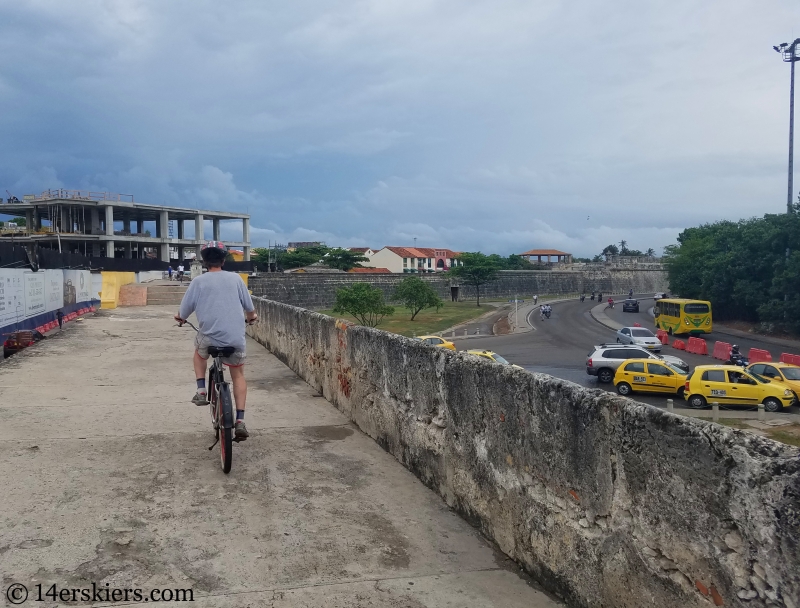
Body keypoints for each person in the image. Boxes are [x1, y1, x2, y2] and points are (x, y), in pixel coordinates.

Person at [174, 241, 258, 440]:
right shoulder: (236, 279)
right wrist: (252, 318)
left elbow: (184, 311)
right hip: (235, 339)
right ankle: (240, 421)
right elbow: (250, 308)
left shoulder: (198, 282)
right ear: (223, 260)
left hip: (209, 337)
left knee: (199, 353)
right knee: (238, 375)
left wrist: (181, 318)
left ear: (204, 261)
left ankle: (202, 390)